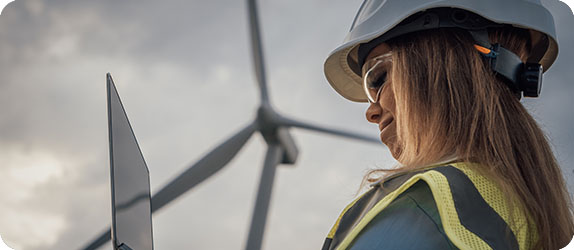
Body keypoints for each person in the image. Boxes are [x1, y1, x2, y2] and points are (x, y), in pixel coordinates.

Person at [321, 1, 574, 250]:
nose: (371, 112)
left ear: (439, 60)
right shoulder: (530, 218)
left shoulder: (423, 208)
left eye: (378, 78)